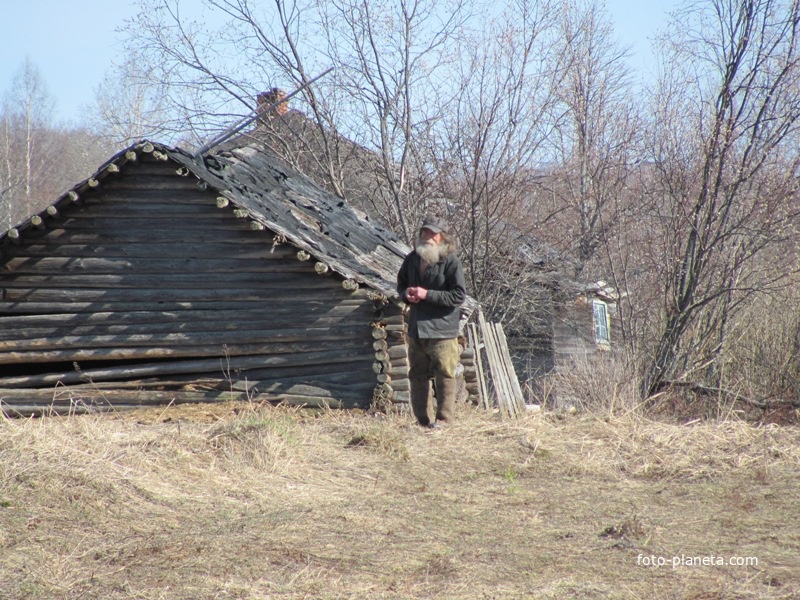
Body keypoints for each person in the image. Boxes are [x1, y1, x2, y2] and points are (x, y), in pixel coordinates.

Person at [397, 215, 467, 428]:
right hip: (417, 328)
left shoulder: (451, 262)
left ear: (443, 238)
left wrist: (427, 294)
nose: (427, 237)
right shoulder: (412, 259)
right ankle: (422, 421)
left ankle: (444, 421)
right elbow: (400, 285)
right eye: (425, 232)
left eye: (433, 233)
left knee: (444, 375)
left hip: (442, 330)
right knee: (417, 375)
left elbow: (458, 296)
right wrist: (405, 294)